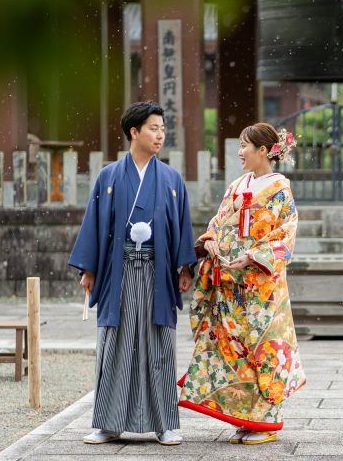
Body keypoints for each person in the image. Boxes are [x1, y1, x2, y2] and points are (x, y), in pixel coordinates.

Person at [69, 101, 197, 446]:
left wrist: (185, 266)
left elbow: (181, 224)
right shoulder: (109, 176)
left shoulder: (170, 178)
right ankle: (107, 423)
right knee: (114, 345)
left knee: (159, 344)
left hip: (157, 272)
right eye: (153, 128)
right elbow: (95, 225)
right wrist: (89, 268)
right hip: (118, 270)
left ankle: (166, 423)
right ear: (134, 132)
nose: (160, 134)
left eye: (163, 129)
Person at [178, 122, 305, 445]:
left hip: (261, 285)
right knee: (233, 347)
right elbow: (218, 222)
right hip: (230, 283)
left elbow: (285, 234)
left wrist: (252, 257)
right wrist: (209, 241)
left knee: (261, 348)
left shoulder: (280, 188)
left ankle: (267, 421)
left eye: (245, 146)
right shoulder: (237, 184)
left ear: (263, 150)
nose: (240, 152)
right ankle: (245, 416)